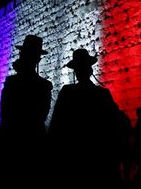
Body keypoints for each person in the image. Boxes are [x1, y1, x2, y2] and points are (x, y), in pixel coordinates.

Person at [49, 48, 120, 187]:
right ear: (90, 70)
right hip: (98, 159)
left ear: (76, 71)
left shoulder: (67, 92)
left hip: (72, 158)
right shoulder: (103, 94)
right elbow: (114, 126)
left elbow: (56, 126)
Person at [0, 35, 52, 187]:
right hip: (33, 144)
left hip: (13, 143)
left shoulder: (11, 83)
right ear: (38, 59)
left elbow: (5, 115)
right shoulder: (44, 85)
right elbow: (41, 115)